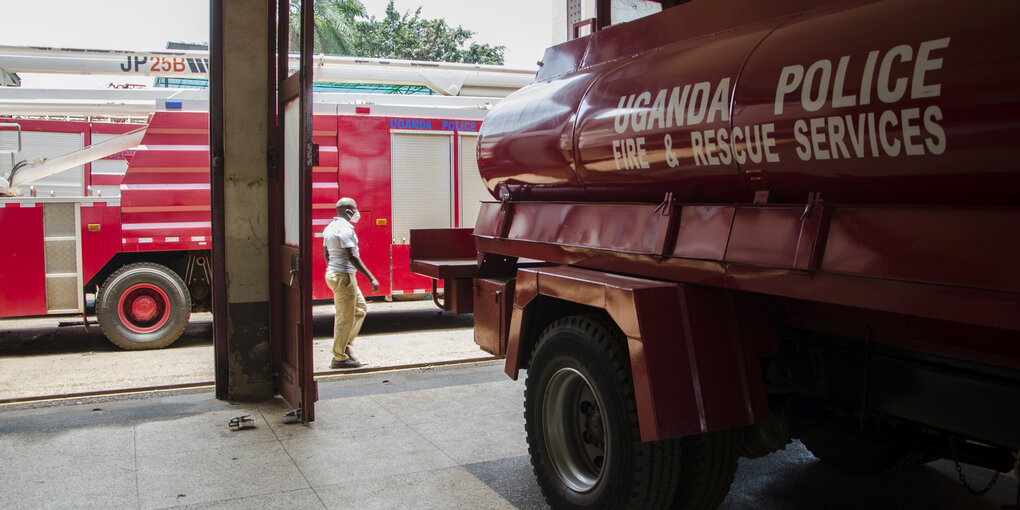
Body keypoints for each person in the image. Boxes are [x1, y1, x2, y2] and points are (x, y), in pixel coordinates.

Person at [323, 197, 379, 369]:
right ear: (348, 211)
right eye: (355, 209)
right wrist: (371, 277)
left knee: (360, 309)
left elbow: (326, 254)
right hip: (344, 276)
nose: (357, 212)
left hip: (336, 274)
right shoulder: (345, 229)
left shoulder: (329, 227)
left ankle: (345, 345)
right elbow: (353, 256)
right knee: (344, 318)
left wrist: (333, 270)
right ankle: (339, 358)